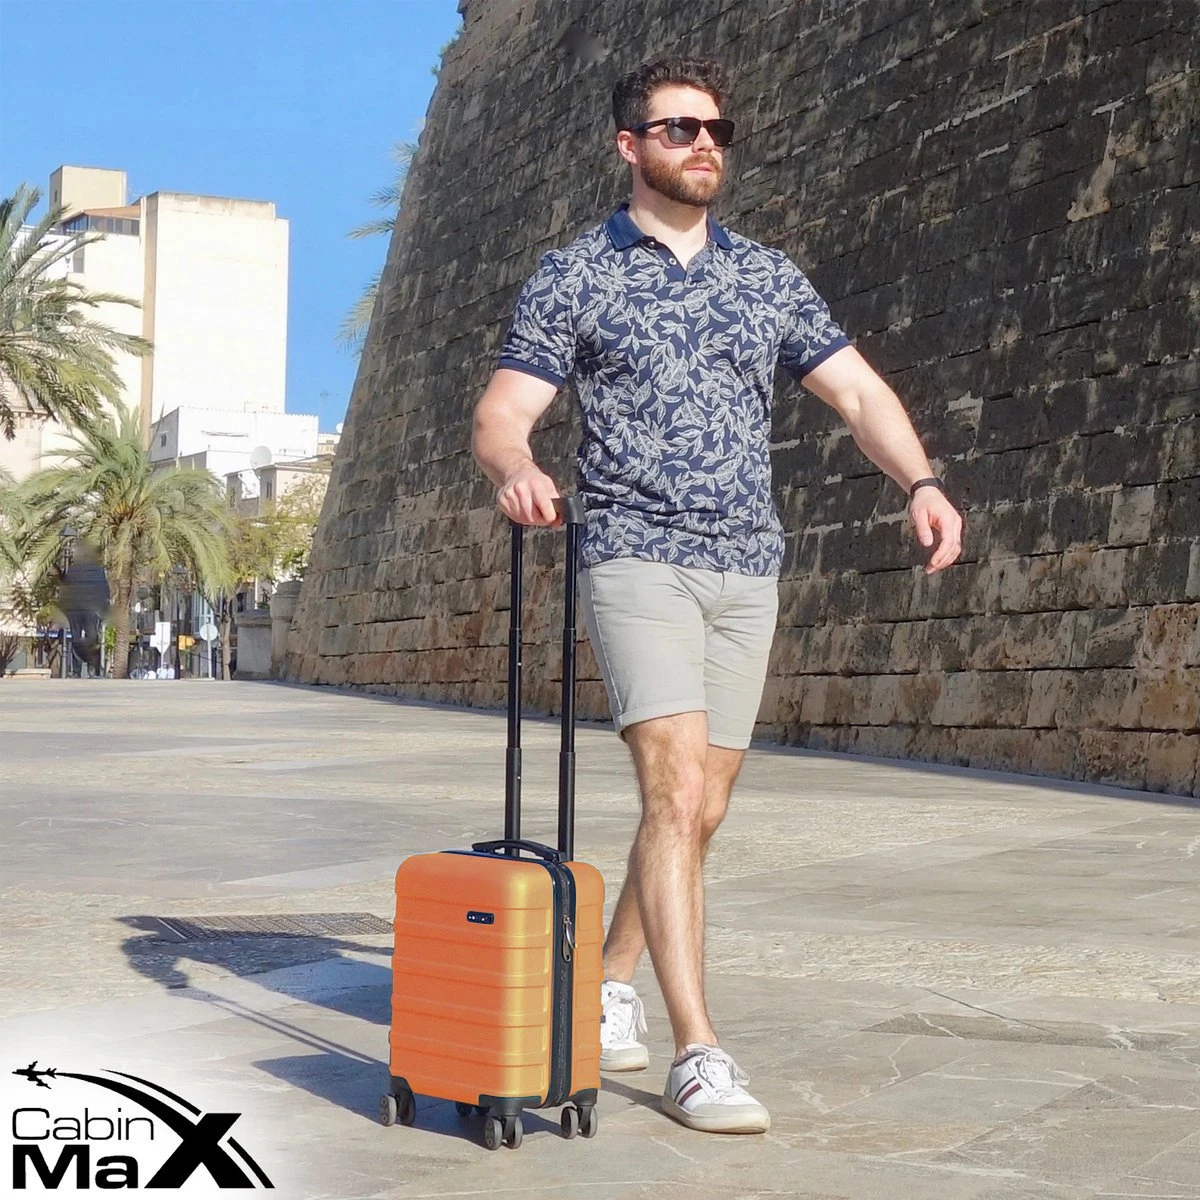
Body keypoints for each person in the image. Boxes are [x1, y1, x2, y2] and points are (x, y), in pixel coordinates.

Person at [471, 55, 963, 1134]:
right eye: (680, 129)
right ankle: (700, 1051)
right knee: (674, 792)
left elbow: (857, 393)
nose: (704, 145)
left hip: (748, 561)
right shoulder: (576, 274)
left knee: (705, 809)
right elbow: (504, 410)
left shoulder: (766, 277)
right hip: (634, 552)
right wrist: (515, 466)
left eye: (716, 132)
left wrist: (921, 481)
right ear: (629, 145)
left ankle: (608, 980)